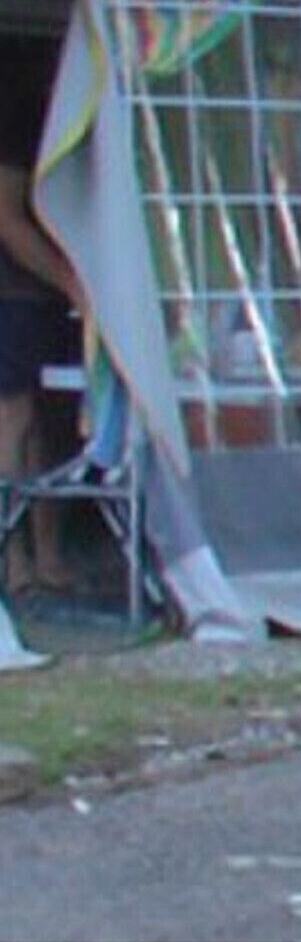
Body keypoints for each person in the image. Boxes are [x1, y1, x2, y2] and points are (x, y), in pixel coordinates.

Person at [0, 32, 82, 596]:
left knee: (45, 427)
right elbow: (6, 220)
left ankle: (46, 557)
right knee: (14, 420)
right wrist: (72, 281)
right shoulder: (19, 117)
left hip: (41, 295)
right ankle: (13, 560)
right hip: (14, 294)